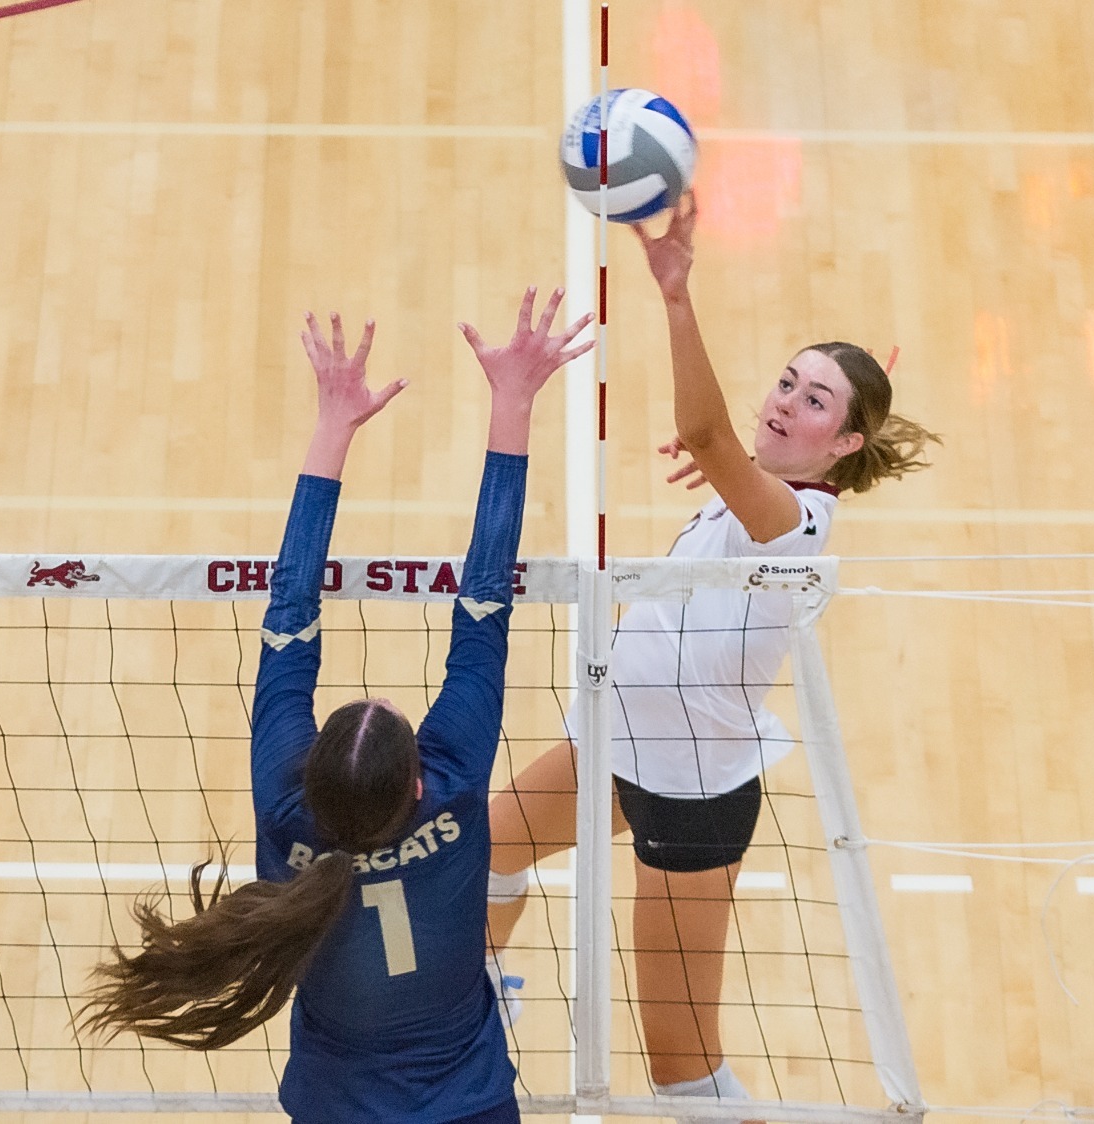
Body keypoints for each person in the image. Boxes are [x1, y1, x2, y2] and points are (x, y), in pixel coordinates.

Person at [81, 293, 591, 1124]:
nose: (382, 697)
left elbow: (288, 617)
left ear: (314, 773)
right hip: (470, 1105)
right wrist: (511, 405)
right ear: (418, 788)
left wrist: (331, 432)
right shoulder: (454, 791)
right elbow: (484, 605)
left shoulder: (292, 817)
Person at [483, 194, 938, 1116]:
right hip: (615, 744)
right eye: (786, 381)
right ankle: (485, 994)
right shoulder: (756, 494)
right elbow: (722, 454)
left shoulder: (798, 523)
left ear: (845, 443)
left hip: (693, 792)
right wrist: (739, 471)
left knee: (680, 1072)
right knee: (482, 853)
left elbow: (704, 434)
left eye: (815, 401)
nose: (786, 401)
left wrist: (677, 297)